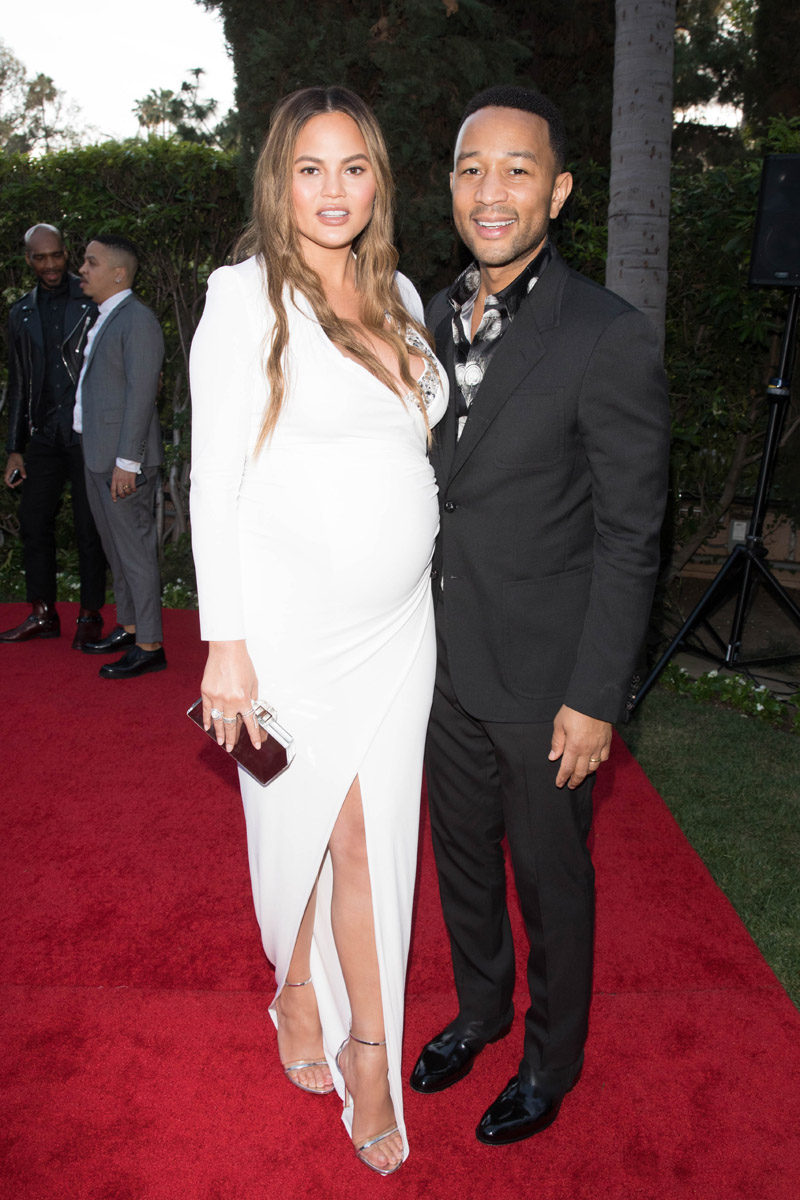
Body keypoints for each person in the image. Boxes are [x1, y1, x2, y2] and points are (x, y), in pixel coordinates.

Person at [189, 87, 447, 1175]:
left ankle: (357, 1034)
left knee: (377, 837)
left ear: (377, 179)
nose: (332, 189)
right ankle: (311, 1001)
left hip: (400, 625)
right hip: (290, 628)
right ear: (278, 181)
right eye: (309, 168)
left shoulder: (401, 293)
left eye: (353, 166)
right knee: (317, 825)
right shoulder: (242, 294)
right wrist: (226, 642)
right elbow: (214, 478)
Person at [410, 85, 671, 1146]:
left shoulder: (605, 334)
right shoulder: (422, 318)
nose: (492, 190)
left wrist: (595, 697)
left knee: (550, 881)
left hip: (548, 682)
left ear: (557, 192)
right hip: (435, 662)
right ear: (450, 187)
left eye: (517, 169)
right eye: (472, 168)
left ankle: (550, 1060)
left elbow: (630, 534)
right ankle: (479, 1012)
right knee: (462, 861)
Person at [1, 224, 106, 648]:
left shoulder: (93, 299)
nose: (50, 265)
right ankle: (42, 612)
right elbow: (19, 383)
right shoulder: (21, 313)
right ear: (28, 260)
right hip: (43, 435)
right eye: (40, 257)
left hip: (85, 433)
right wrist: (15, 449)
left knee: (88, 528)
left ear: (67, 253)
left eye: (56, 255)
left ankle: (90, 613)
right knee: (33, 522)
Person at [74, 234, 167, 679]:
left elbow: (142, 395)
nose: (82, 269)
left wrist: (128, 462)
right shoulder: (107, 317)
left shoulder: (138, 320)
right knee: (117, 550)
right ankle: (130, 628)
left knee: (135, 553)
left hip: (122, 461)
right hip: (99, 455)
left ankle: (150, 645)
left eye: (91, 262)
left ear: (118, 273)